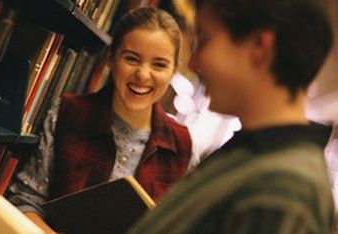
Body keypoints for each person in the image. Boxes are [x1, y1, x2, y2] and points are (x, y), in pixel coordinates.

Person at [128, 0, 336, 233]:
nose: (194, 63)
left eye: (204, 40)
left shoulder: (282, 190)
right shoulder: (254, 158)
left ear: (260, 46)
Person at [7, 7, 195, 233]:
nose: (143, 75)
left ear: (174, 71)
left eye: (159, 64)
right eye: (131, 59)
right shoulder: (68, 114)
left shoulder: (183, 149)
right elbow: (25, 201)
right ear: (110, 58)